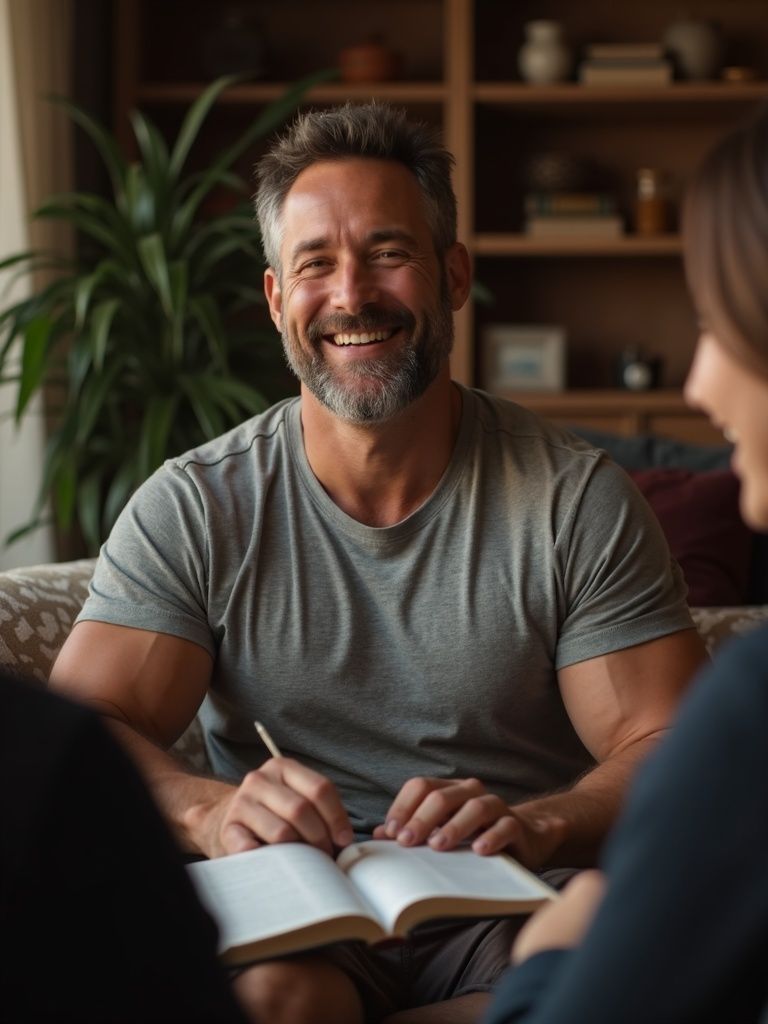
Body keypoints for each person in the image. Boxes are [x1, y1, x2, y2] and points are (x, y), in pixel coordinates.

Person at [49, 102, 705, 1024]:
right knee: (280, 1001)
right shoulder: (198, 504)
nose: (352, 294)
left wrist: (541, 820)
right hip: (295, 904)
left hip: (501, 895)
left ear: (454, 275)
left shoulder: (573, 500)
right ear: (279, 300)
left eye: (388, 252)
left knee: (581, 991)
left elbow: (673, 742)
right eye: (316, 263)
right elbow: (78, 727)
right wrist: (208, 812)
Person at [483, 104, 768, 1024]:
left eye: (716, 323)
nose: (696, 385)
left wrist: (550, 953)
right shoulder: (200, 496)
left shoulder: (753, 715)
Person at [0, 668, 248, 1024]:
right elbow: (89, 712)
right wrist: (207, 812)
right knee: (284, 993)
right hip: (295, 869)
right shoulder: (49, 745)